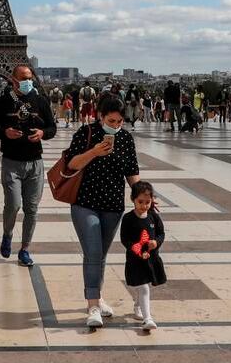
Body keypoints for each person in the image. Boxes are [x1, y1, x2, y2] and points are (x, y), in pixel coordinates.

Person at [64, 96, 141, 328]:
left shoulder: (126, 139)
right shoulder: (86, 133)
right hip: (84, 203)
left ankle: (98, 295)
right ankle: (93, 305)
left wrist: (142, 194)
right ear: (100, 116)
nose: (116, 125)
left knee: (102, 255)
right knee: (94, 253)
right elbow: (72, 164)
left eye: (119, 122)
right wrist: (94, 152)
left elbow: (132, 171)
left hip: (113, 206)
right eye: (111, 121)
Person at [0, 65, 56, 267]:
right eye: (24, 78)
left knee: (32, 209)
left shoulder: (40, 101)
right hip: (11, 161)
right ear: (13, 79)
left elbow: (52, 127)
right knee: (13, 204)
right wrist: (5, 133)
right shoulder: (2, 102)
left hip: (35, 162)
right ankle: (8, 233)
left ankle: (25, 249)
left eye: (30, 77)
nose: (28, 81)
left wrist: (42, 134)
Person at [120, 181, 166, 330]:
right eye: (140, 202)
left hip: (151, 260)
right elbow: (124, 239)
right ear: (133, 199)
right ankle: (148, 319)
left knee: (143, 287)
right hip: (135, 261)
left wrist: (156, 243)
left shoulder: (154, 217)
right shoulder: (128, 218)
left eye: (147, 202)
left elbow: (161, 233)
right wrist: (137, 250)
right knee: (144, 288)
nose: (144, 205)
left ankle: (137, 307)